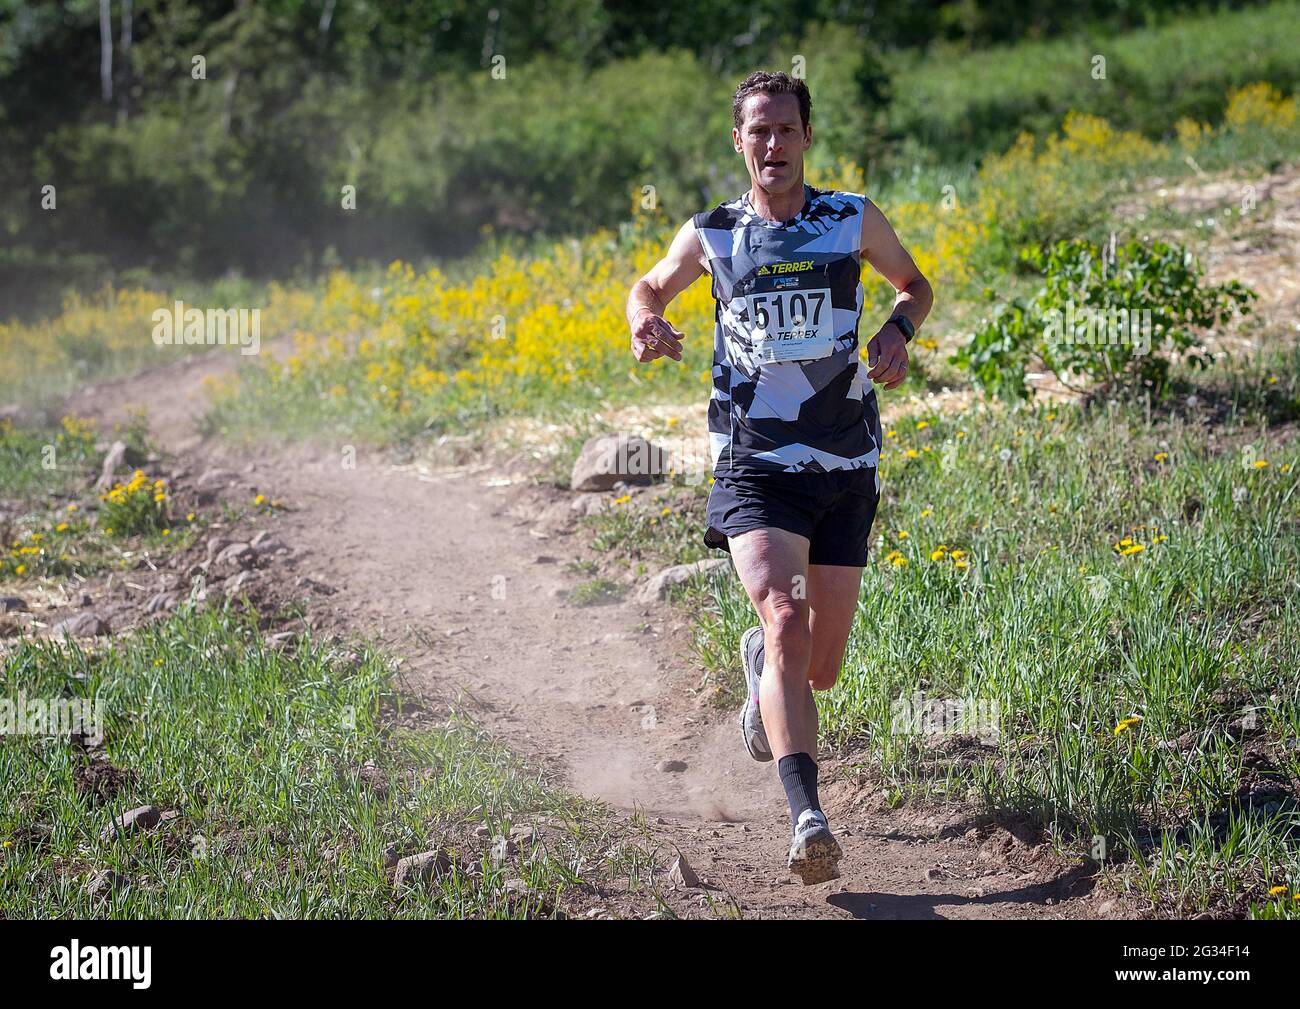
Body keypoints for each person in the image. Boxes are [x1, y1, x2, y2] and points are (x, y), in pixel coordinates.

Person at [624, 70, 932, 883]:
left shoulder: (850, 218)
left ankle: (762, 668)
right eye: (757, 131)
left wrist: (899, 329)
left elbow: (915, 283)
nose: (772, 144)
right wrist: (645, 318)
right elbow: (650, 281)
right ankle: (808, 816)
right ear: (740, 142)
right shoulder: (715, 234)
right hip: (757, 463)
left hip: (845, 460)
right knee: (787, 616)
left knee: (818, 666)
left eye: (785, 129)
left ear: (805, 138)